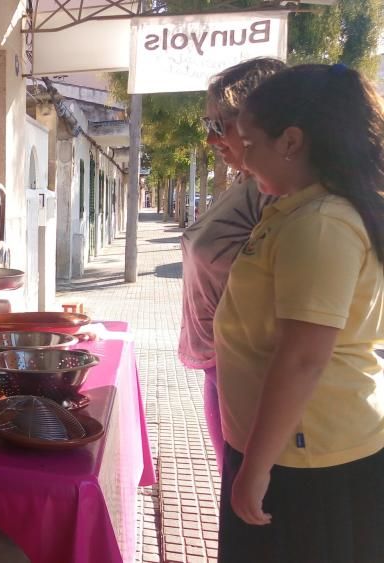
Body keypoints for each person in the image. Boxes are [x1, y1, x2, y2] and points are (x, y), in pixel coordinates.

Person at [215, 63, 384, 561]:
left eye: (249, 143)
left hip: (306, 457)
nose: (241, 160)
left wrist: (256, 468)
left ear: (291, 141)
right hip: (282, 445)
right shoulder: (297, 210)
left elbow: (303, 358)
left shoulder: (322, 222)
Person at [179, 57, 285, 471]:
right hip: (222, 361)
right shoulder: (248, 182)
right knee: (233, 481)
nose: (210, 139)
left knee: (246, 485)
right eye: (209, 125)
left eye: (220, 125)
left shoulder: (276, 193)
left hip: (249, 369)